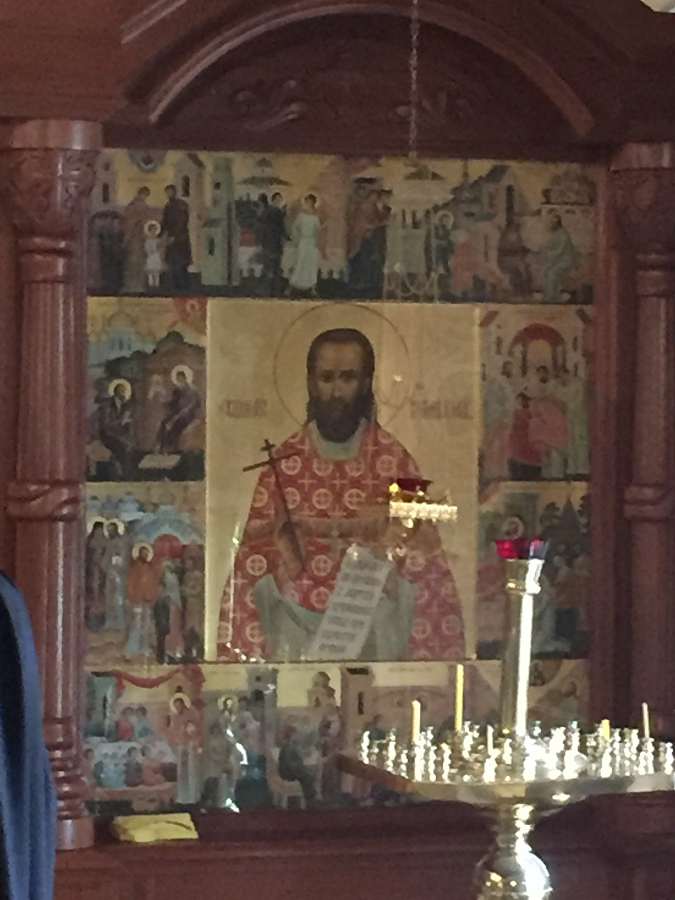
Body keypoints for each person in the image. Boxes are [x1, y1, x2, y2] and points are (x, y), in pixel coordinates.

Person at [217, 327, 465, 662]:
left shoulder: (393, 460)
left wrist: (388, 548)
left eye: (347, 378)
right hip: (296, 628)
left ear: (365, 383)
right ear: (311, 383)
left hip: (372, 626)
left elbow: (424, 560)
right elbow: (250, 568)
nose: (336, 392)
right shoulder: (283, 467)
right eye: (326, 378)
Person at [124, 543, 161, 658]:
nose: (145, 556)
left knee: (147, 624)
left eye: (146, 554)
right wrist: (132, 598)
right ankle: (131, 649)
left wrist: (152, 595)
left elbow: (154, 583)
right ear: (139, 554)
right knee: (137, 624)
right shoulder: (135, 568)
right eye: (143, 553)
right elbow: (130, 584)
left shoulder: (150, 568)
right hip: (137, 600)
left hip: (148, 601)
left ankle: (144, 647)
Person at [156, 366, 201, 454]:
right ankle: (162, 446)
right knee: (164, 423)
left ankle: (172, 448)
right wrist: (164, 402)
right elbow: (174, 403)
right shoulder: (177, 390)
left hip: (187, 415)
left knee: (175, 426)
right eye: (178, 378)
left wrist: (185, 411)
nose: (179, 380)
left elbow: (196, 404)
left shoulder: (192, 390)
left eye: (181, 378)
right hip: (176, 413)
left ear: (185, 378)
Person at [167, 693, 202, 805]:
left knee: (191, 770)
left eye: (179, 705)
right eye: (175, 706)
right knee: (181, 771)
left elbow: (196, 728)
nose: (177, 708)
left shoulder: (191, 714)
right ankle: (182, 796)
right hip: (181, 744)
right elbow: (173, 730)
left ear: (183, 704)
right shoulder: (175, 716)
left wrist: (188, 729)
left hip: (191, 744)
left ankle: (193, 796)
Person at [97, 380, 135, 479]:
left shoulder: (126, 406)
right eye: (122, 391)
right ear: (116, 392)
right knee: (124, 447)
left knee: (133, 447)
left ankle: (127, 474)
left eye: (125, 391)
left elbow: (128, 423)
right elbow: (106, 425)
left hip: (120, 435)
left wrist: (128, 422)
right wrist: (121, 420)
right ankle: (121, 474)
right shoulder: (107, 406)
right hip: (108, 435)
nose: (124, 394)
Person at [160, 184, 192, 291]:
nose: (168, 194)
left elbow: (181, 222)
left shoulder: (180, 205)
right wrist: (159, 234)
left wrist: (174, 236)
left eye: (170, 192)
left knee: (180, 263)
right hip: (172, 237)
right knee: (173, 262)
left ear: (174, 192)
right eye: (167, 192)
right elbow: (165, 222)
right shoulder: (168, 206)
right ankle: (177, 285)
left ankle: (183, 285)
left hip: (180, 239)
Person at [540, 214, 578, 303]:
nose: (551, 225)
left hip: (566, 260)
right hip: (558, 260)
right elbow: (550, 245)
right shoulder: (556, 234)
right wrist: (545, 250)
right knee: (547, 272)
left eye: (553, 223)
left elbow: (560, 250)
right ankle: (551, 295)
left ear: (557, 224)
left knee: (552, 273)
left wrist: (549, 254)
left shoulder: (563, 234)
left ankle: (550, 297)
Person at [289, 194, 321, 296]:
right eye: (306, 202)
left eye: (309, 202)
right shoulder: (301, 216)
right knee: (300, 262)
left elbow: (318, 230)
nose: (308, 204)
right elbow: (295, 228)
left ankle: (311, 286)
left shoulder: (316, 217)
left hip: (311, 242)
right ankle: (295, 285)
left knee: (310, 263)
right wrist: (297, 239)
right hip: (303, 241)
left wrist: (317, 241)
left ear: (313, 203)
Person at [122, 186, 151, 293]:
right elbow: (129, 221)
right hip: (134, 237)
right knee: (133, 262)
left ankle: (137, 285)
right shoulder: (134, 206)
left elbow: (146, 222)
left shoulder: (137, 205)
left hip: (138, 237)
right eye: (144, 195)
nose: (144, 197)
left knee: (137, 262)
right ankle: (133, 285)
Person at [259, 191, 287, 295]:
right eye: (278, 199)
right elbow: (281, 227)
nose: (279, 201)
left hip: (272, 241)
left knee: (272, 266)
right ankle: (271, 289)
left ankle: (271, 289)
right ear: (274, 200)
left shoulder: (269, 211)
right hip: (272, 241)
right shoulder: (275, 212)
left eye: (280, 199)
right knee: (273, 266)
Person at [103, 520, 128, 630]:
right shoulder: (110, 543)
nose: (109, 533)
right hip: (110, 573)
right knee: (109, 598)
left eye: (111, 530)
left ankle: (120, 622)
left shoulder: (119, 543)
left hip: (118, 573)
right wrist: (106, 567)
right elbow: (106, 559)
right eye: (108, 531)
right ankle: (110, 621)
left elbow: (120, 558)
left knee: (118, 598)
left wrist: (115, 568)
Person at [84, 520, 108, 630]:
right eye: (98, 530)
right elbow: (86, 555)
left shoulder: (105, 541)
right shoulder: (89, 541)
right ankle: (91, 617)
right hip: (92, 570)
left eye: (101, 530)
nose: (99, 532)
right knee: (92, 592)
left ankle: (101, 618)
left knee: (101, 592)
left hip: (102, 571)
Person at [144, 220, 164, 289]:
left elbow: (161, 248)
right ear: (149, 230)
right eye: (152, 229)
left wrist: (160, 250)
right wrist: (154, 249)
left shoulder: (158, 240)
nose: (154, 231)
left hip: (157, 256)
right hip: (151, 256)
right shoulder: (148, 240)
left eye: (155, 229)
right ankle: (150, 284)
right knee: (150, 272)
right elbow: (147, 249)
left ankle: (157, 284)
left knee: (156, 272)